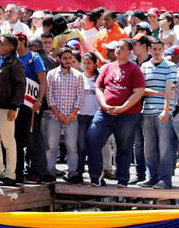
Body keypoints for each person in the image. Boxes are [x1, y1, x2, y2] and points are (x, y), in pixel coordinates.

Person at [85, 39, 146, 187]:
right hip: (105, 112)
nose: (118, 50)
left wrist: (123, 108)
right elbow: (98, 88)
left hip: (127, 114)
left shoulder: (134, 69)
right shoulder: (107, 67)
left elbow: (139, 92)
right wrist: (104, 104)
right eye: (117, 47)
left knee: (124, 147)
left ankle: (122, 179)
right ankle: (95, 177)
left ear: (129, 52)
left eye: (122, 48)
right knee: (92, 139)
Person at [138, 38, 177, 189]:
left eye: (159, 49)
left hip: (163, 112)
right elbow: (141, 90)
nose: (156, 52)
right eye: (154, 49)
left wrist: (166, 109)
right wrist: (156, 92)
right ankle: (152, 177)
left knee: (164, 147)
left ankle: (165, 179)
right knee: (149, 147)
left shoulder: (170, 66)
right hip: (147, 111)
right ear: (149, 50)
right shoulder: (144, 66)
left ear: (163, 49)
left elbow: (169, 89)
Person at [0, 35, 25, 185]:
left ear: (10, 47)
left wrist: (14, 106)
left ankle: (10, 174)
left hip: (6, 107)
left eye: (1, 43)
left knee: (8, 142)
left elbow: (20, 86)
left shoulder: (15, 63)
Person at [45, 47, 84, 183]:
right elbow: (49, 96)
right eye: (65, 58)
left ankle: (72, 172)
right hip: (55, 116)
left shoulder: (78, 75)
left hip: (72, 117)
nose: (68, 61)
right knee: (51, 145)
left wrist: (72, 115)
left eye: (70, 58)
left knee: (72, 147)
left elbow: (80, 96)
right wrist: (58, 114)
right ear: (59, 59)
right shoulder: (51, 74)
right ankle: (50, 171)